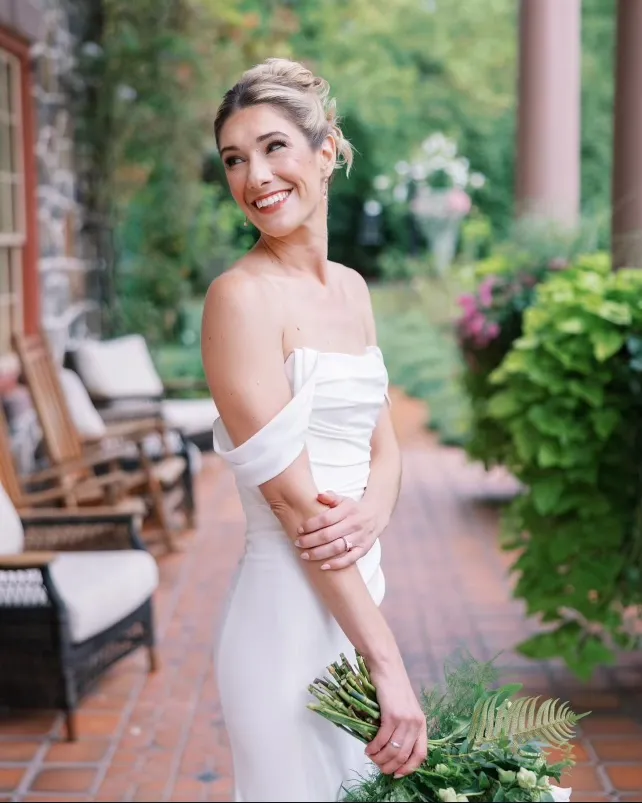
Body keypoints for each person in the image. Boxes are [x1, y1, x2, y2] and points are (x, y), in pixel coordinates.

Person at [201, 57, 427, 803]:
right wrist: (388, 664)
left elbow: (383, 442)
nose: (255, 176)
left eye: (274, 147)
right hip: (283, 626)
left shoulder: (353, 290)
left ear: (326, 152)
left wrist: (374, 512)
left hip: (356, 607)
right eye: (235, 159)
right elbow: (299, 508)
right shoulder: (238, 299)